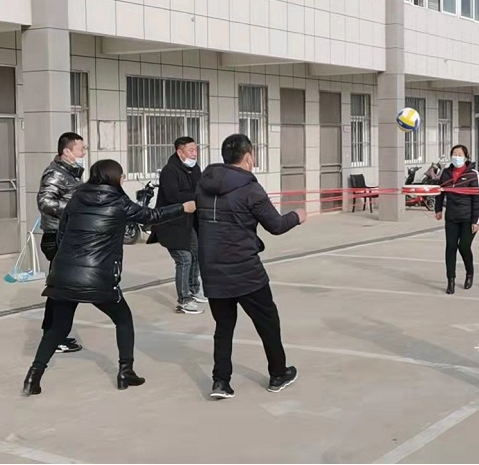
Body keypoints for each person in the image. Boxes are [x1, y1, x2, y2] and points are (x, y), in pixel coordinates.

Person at [23, 160, 195, 396]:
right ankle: (126, 371)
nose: (123, 179)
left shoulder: (76, 198)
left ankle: (33, 376)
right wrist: (183, 208)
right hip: (99, 278)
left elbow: (61, 234)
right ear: (113, 177)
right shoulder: (119, 201)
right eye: (121, 175)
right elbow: (151, 216)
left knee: (57, 328)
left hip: (65, 274)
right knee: (123, 320)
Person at [196, 134, 306, 399]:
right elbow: (276, 225)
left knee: (223, 327)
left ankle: (221, 381)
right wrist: (297, 216)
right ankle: (278, 373)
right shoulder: (250, 189)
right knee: (268, 322)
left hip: (213, 269)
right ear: (248, 156)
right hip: (245, 270)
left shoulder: (202, 186)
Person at [36, 132, 87, 354]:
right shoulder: (56, 173)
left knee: (61, 289)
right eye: (81, 149)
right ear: (66, 151)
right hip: (57, 237)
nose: (84, 153)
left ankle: (55, 334)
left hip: (67, 235)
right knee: (64, 290)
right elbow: (45, 202)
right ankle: (54, 336)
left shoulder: (71, 173)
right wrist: (75, 209)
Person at [153, 136, 205, 315]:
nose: (194, 153)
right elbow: (173, 196)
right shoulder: (169, 171)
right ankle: (184, 300)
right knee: (184, 259)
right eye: (191, 150)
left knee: (196, 253)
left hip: (188, 222)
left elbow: (200, 189)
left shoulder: (195, 169)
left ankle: (194, 288)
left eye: (196, 149)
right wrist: (195, 197)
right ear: (180, 152)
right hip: (171, 223)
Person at [434, 144, 479, 294]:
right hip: (451, 217)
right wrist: (438, 209)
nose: (457, 157)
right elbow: (440, 191)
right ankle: (451, 280)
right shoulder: (446, 173)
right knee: (450, 247)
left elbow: (478, 198)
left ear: (466, 157)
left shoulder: (473, 174)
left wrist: (477, 220)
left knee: (464, 246)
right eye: (454, 154)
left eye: (460, 154)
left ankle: (469, 273)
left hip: (468, 218)